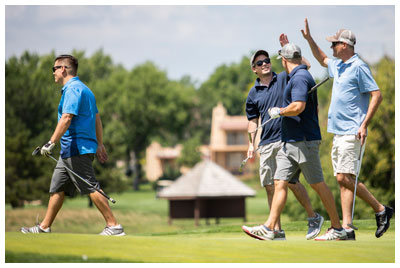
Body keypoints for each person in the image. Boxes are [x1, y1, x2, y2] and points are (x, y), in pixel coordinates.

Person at [243, 43, 347, 241]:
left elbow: (299, 102)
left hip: (301, 139)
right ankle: (271, 229)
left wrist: (280, 111)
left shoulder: (290, 77)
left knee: (314, 184)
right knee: (277, 183)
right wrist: (251, 143)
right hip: (285, 140)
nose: (265, 63)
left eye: (267, 60)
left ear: (283, 61)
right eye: (260, 62)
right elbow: (252, 121)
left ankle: (334, 225)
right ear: (254, 68)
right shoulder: (253, 92)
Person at [301, 18, 393, 240]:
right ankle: (347, 228)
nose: (332, 47)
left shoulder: (359, 66)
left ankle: (381, 209)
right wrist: (309, 39)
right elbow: (322, 58)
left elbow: (377, 95)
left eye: (334, 44)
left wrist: (364, 124)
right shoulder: (339, 65)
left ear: (345, 45)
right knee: (343, 178)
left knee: (343, 178)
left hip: (353, 130)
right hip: (339, 131)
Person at [21, 54, 125, 236]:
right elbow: (97, 119)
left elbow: (67, 118)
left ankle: (113, 225)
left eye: (53, 69)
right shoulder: (85, 90)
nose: (52, 73)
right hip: (71, 149)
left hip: (77, 148)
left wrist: (51, 142)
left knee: (90, 186)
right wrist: (100, 143)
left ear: (63, 69)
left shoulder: (73, 90)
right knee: (57, 187)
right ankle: (44, 227)